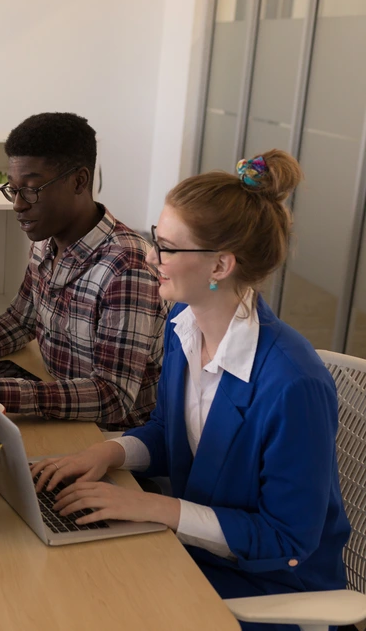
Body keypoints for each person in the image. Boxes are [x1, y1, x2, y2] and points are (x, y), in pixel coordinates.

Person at [31, 151, 350, 624]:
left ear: (220, 266)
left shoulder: (294, 384)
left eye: (167, 248)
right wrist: (107, 453)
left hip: (267, 584)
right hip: (190, 549)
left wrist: (152, 507)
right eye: (154, 238)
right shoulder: (184, 323)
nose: (150, 256)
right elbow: (169, 430)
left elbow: (286, 540)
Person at [0, 112, 165, 430]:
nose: (18, 204)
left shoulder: (127, 268)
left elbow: (113, 397)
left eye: (31, 189)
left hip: (113, 435)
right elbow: (20, 321)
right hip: (62, 408)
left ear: (79, 181)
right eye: (13, 189)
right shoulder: (45, 241)